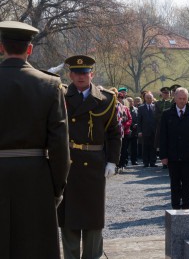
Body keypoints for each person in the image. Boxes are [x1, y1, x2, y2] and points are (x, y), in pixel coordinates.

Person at [0, 21, 70, 258]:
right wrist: (57, 187)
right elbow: (60, 145)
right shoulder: (50, 85)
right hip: (35, 178)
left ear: (1, 47)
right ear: (29, 49)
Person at [59, 55, 121, 259]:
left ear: (91, 74)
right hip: (68, 161)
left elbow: (114, 133)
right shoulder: (61, 96)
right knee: (69, 217)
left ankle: (93, 256)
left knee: (93, 217)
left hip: (94, 163)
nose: (80, 77)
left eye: (85, 73)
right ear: (70, 74)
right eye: (76, 73)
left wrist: (112, 161)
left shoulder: (107, 99)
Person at [160, 87, 189, 209]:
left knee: (187, 182)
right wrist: (163, 155)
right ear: (175, 98)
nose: (182, 101)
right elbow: (163, 136)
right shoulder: (166, 114)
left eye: (184, 99)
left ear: (187, 99)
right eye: (180, 98)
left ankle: (186, 205)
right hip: (172, 154)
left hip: (188, 155)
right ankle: (175, 206)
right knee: (174, 182)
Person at [138, 92, 158, 167]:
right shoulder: (141, 108)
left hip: (154, 131)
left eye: (150, 98)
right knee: (145, 147)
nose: (149, 99)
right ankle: (145, 162)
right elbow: (139, 120)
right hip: (144, 131)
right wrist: (139, 131)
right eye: (147, 98)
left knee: (153, 147)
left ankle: (153, 162)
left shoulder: (155, 107)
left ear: (152, 98)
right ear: (145, 99)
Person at [154, 87, 172, 169]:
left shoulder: (172, 102)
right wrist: (164, 118)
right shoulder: (157, 103)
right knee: (162, 144)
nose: (166, 94)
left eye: (167, 93)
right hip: (161, 125)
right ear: (162, 94)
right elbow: (156, 114)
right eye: (164, 93)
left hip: (171, 125)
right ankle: (164, 162)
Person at [117, 92, 132, 172]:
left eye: (121, 98)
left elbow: (130, 119)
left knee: (124, 149)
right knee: (117, 149)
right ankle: (117, 164)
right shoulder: (114, 108)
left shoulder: (125, 108)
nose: (120, 99)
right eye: (118, 97)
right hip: (116, 132)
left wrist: (124, 126)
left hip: (125, 132)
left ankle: (122, 164)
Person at [127, 97, 139, 165]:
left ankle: (134, 160)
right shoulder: (124, 109)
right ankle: (125, 161)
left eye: (131, 101)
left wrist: (136, 124)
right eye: (129, 101)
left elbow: (139, 118)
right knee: (126, 147)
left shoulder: (136, 109)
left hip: (134, 130)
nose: (130, 103)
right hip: (127, 129)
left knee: (134, 147)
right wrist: (132, 124)